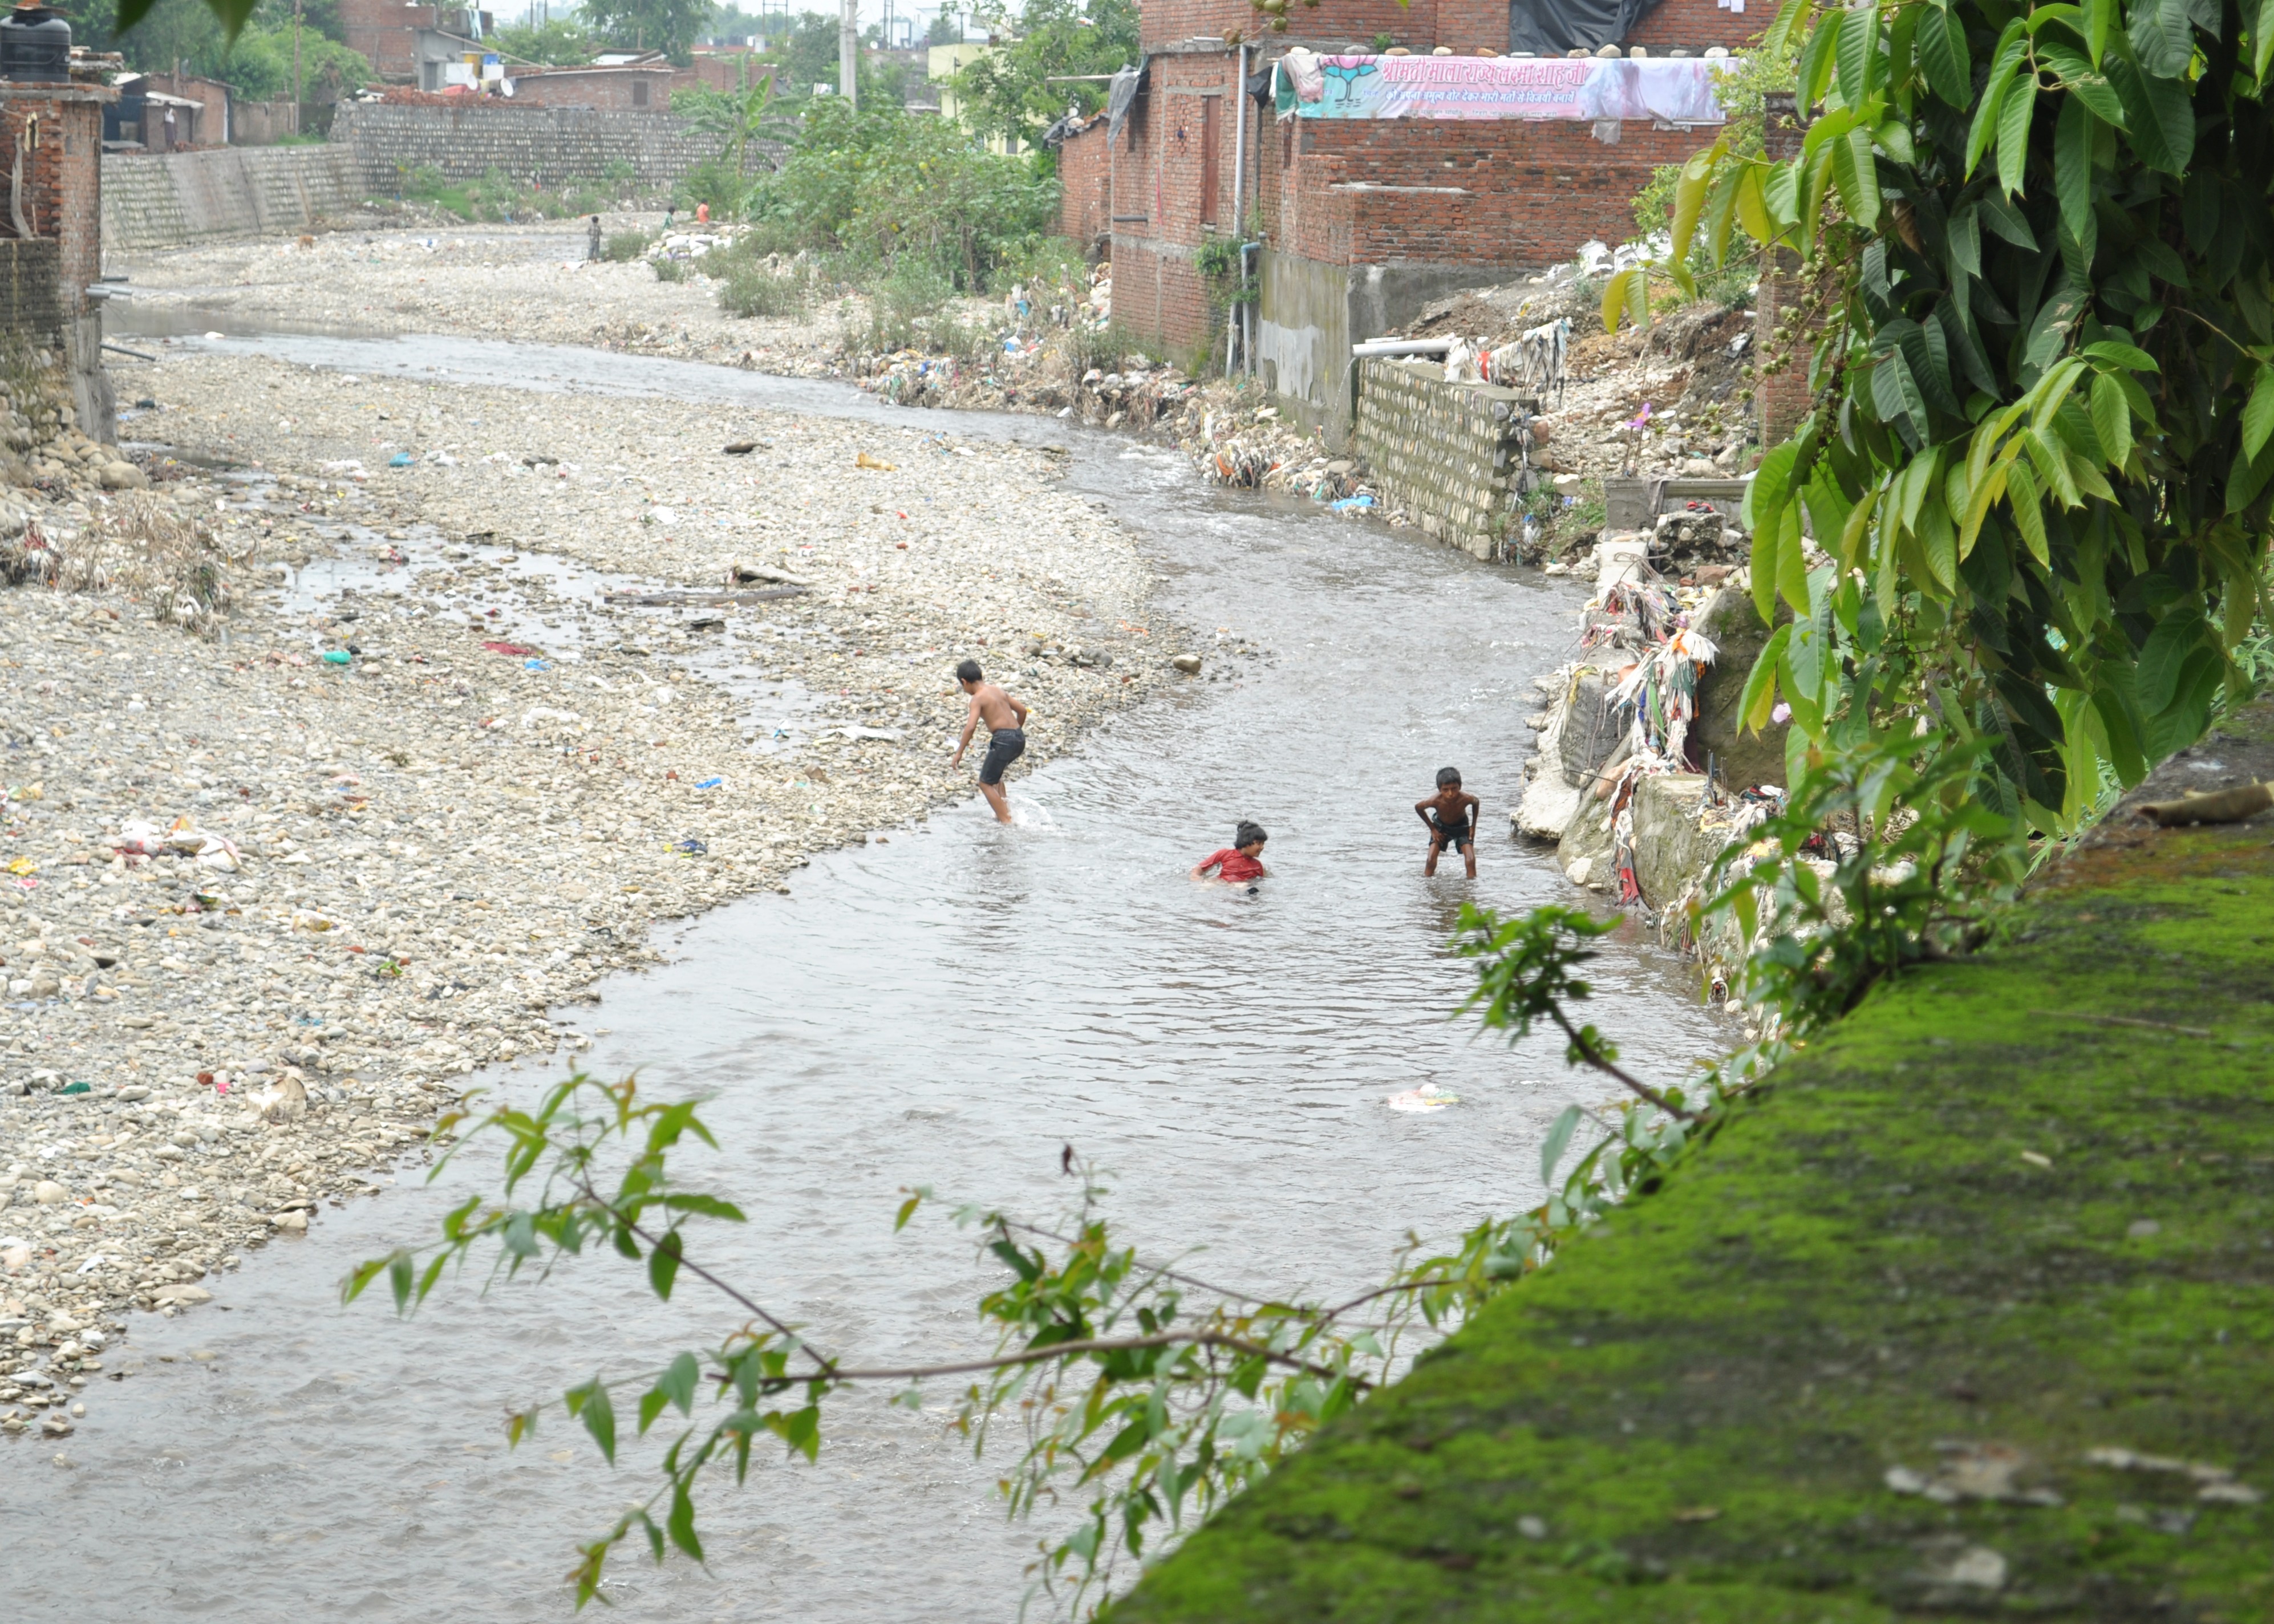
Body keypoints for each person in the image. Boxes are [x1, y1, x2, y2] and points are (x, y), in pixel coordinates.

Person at [950, 658, 1029, 823]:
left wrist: (959, 753)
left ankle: (1006, 821)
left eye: (963, 686)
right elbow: (1022, 711)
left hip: (1003, 740)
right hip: (1019, 738)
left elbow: (970, 727)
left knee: (985, 782)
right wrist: (1016, 731)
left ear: (965, 682)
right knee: (996, 776)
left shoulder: (978, 698)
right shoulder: (998, 691)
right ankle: (1005, 811)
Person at [1416, 767, 1480, 878]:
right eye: (1446, 790)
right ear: (1440, 789)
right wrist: (1433, 829)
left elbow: (1476, 803)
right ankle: (1428, 885)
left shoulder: (1466, 798)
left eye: (1454, 789)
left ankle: (1470, 891)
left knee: (1471, 860)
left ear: (1460, 786)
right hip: (1441, 827)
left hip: (1461, 826)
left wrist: (1473, 827)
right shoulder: (1434, 800)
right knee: (1431, 860)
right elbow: (1418, 808)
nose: (1451, 794)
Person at [1191, 821, 1270, 886]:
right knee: (1207, 885)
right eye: (1259, 843)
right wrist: (1196, 877)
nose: (1262, 847)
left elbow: (1262, 881)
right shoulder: (1224, 854)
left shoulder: (1258, 866)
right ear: (1246, 841)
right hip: (1220, 884)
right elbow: (1199, 869)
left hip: (1239, 889)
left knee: (1243, 887)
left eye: (1263, 844)